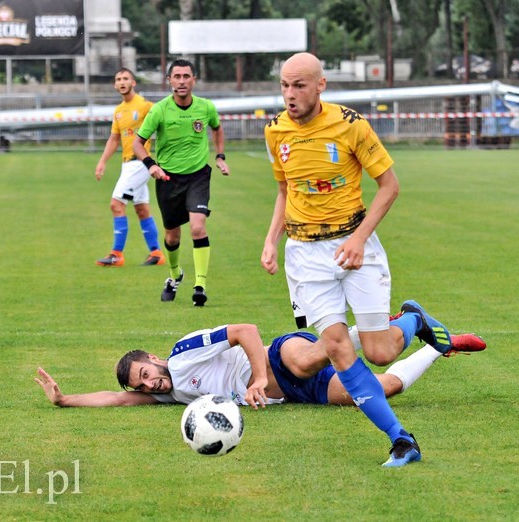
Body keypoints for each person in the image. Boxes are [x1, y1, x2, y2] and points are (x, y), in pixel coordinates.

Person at [260, 52, 453, 467]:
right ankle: (401, 439)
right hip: (305, 254)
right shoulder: (275, 131)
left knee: (380, 352)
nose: (290, 95)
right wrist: (270, 241)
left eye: (299, 86)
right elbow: (284, 191)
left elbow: (389, 186)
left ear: (321, 85)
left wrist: (361, 239)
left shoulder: (351, 125)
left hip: (354, 243)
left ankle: (413, 320)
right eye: (284, 86)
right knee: (334, 347)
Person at [35, 303, 486, 427]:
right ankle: (431, 342)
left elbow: (246, 330)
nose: (150, 384)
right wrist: (64, 400)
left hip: (276, 356)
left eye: (147, 373)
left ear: (153, 359)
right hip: (291, 393)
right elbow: (115, 398)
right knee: (379, 388)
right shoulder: (170, 395)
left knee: (310, 355)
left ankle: (398, 322)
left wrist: (258, 377)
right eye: (144, 384)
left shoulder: (183, 352)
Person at [131, 59, 230, 306]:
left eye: (187, 76)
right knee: (172, 237)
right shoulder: (159, 110)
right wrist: (151, 165)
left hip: (197, 175)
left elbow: (217, 129)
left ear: (194, 80)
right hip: (167, 179)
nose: (182, 81)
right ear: (170, 81)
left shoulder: (206, 107)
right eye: (177, 76)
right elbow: (137, 143)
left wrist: (219, 156)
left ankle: (200, 286)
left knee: (198, 227)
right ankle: (175, 275)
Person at [94, 68, 165, 267]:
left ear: (133, 83)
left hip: (140, 163)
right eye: (118, 79)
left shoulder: (145, 106)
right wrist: (102, 161)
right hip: (127, 164)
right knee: (142, 209)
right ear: (115, 85)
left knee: (116, 205)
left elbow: (162, 126)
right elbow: (114, 138)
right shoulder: (118, 111)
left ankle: (116, 254)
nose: (122, 82)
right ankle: (157, 254)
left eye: (126, 78)